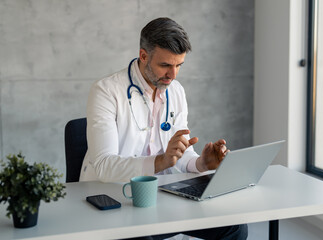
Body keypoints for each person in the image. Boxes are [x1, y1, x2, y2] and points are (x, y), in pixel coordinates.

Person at [80, 17, 248, 240]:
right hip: (116, 196)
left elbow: (179, 152)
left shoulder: (175, 91)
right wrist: (159, 162)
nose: (173, 75)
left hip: (163, 196)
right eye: (166, 65)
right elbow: (103, 165)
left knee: (235, 228)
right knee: (142, 236)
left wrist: (200, 163)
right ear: (143, 56)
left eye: (179, 65)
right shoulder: (106, 91)